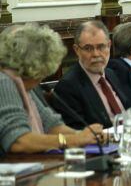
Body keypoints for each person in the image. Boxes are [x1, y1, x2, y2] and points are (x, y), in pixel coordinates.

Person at [0, 24, 102, 155]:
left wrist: (88, 136)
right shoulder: (4, 82)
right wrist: (74, 139)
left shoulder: (24, 85)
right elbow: (18, 141)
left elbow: (51, 125)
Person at [52, 21, 130, 129]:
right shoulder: (68, 87)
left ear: (109, 46)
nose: (96, 54)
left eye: (101, 47)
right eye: (88, 48)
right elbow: (78, 133)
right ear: (77, 50)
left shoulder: (112, 74)